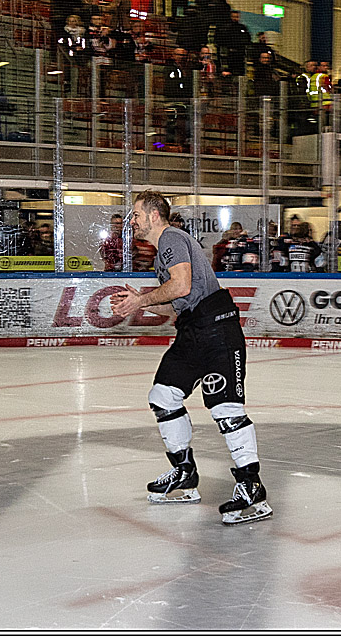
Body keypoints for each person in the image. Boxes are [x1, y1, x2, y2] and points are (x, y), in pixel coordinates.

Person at [111, 190, 270, 525]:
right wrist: (139, 302)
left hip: (217, 331)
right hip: (192, 331)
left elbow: (181, 286)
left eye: (136, 214)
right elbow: (177, 304)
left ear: (154, 215)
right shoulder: (163, 254)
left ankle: (251, 486)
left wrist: (141, 301)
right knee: (163, 396)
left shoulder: (171, 238)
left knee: (225, 408)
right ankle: (184, 472)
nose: (132, 221)